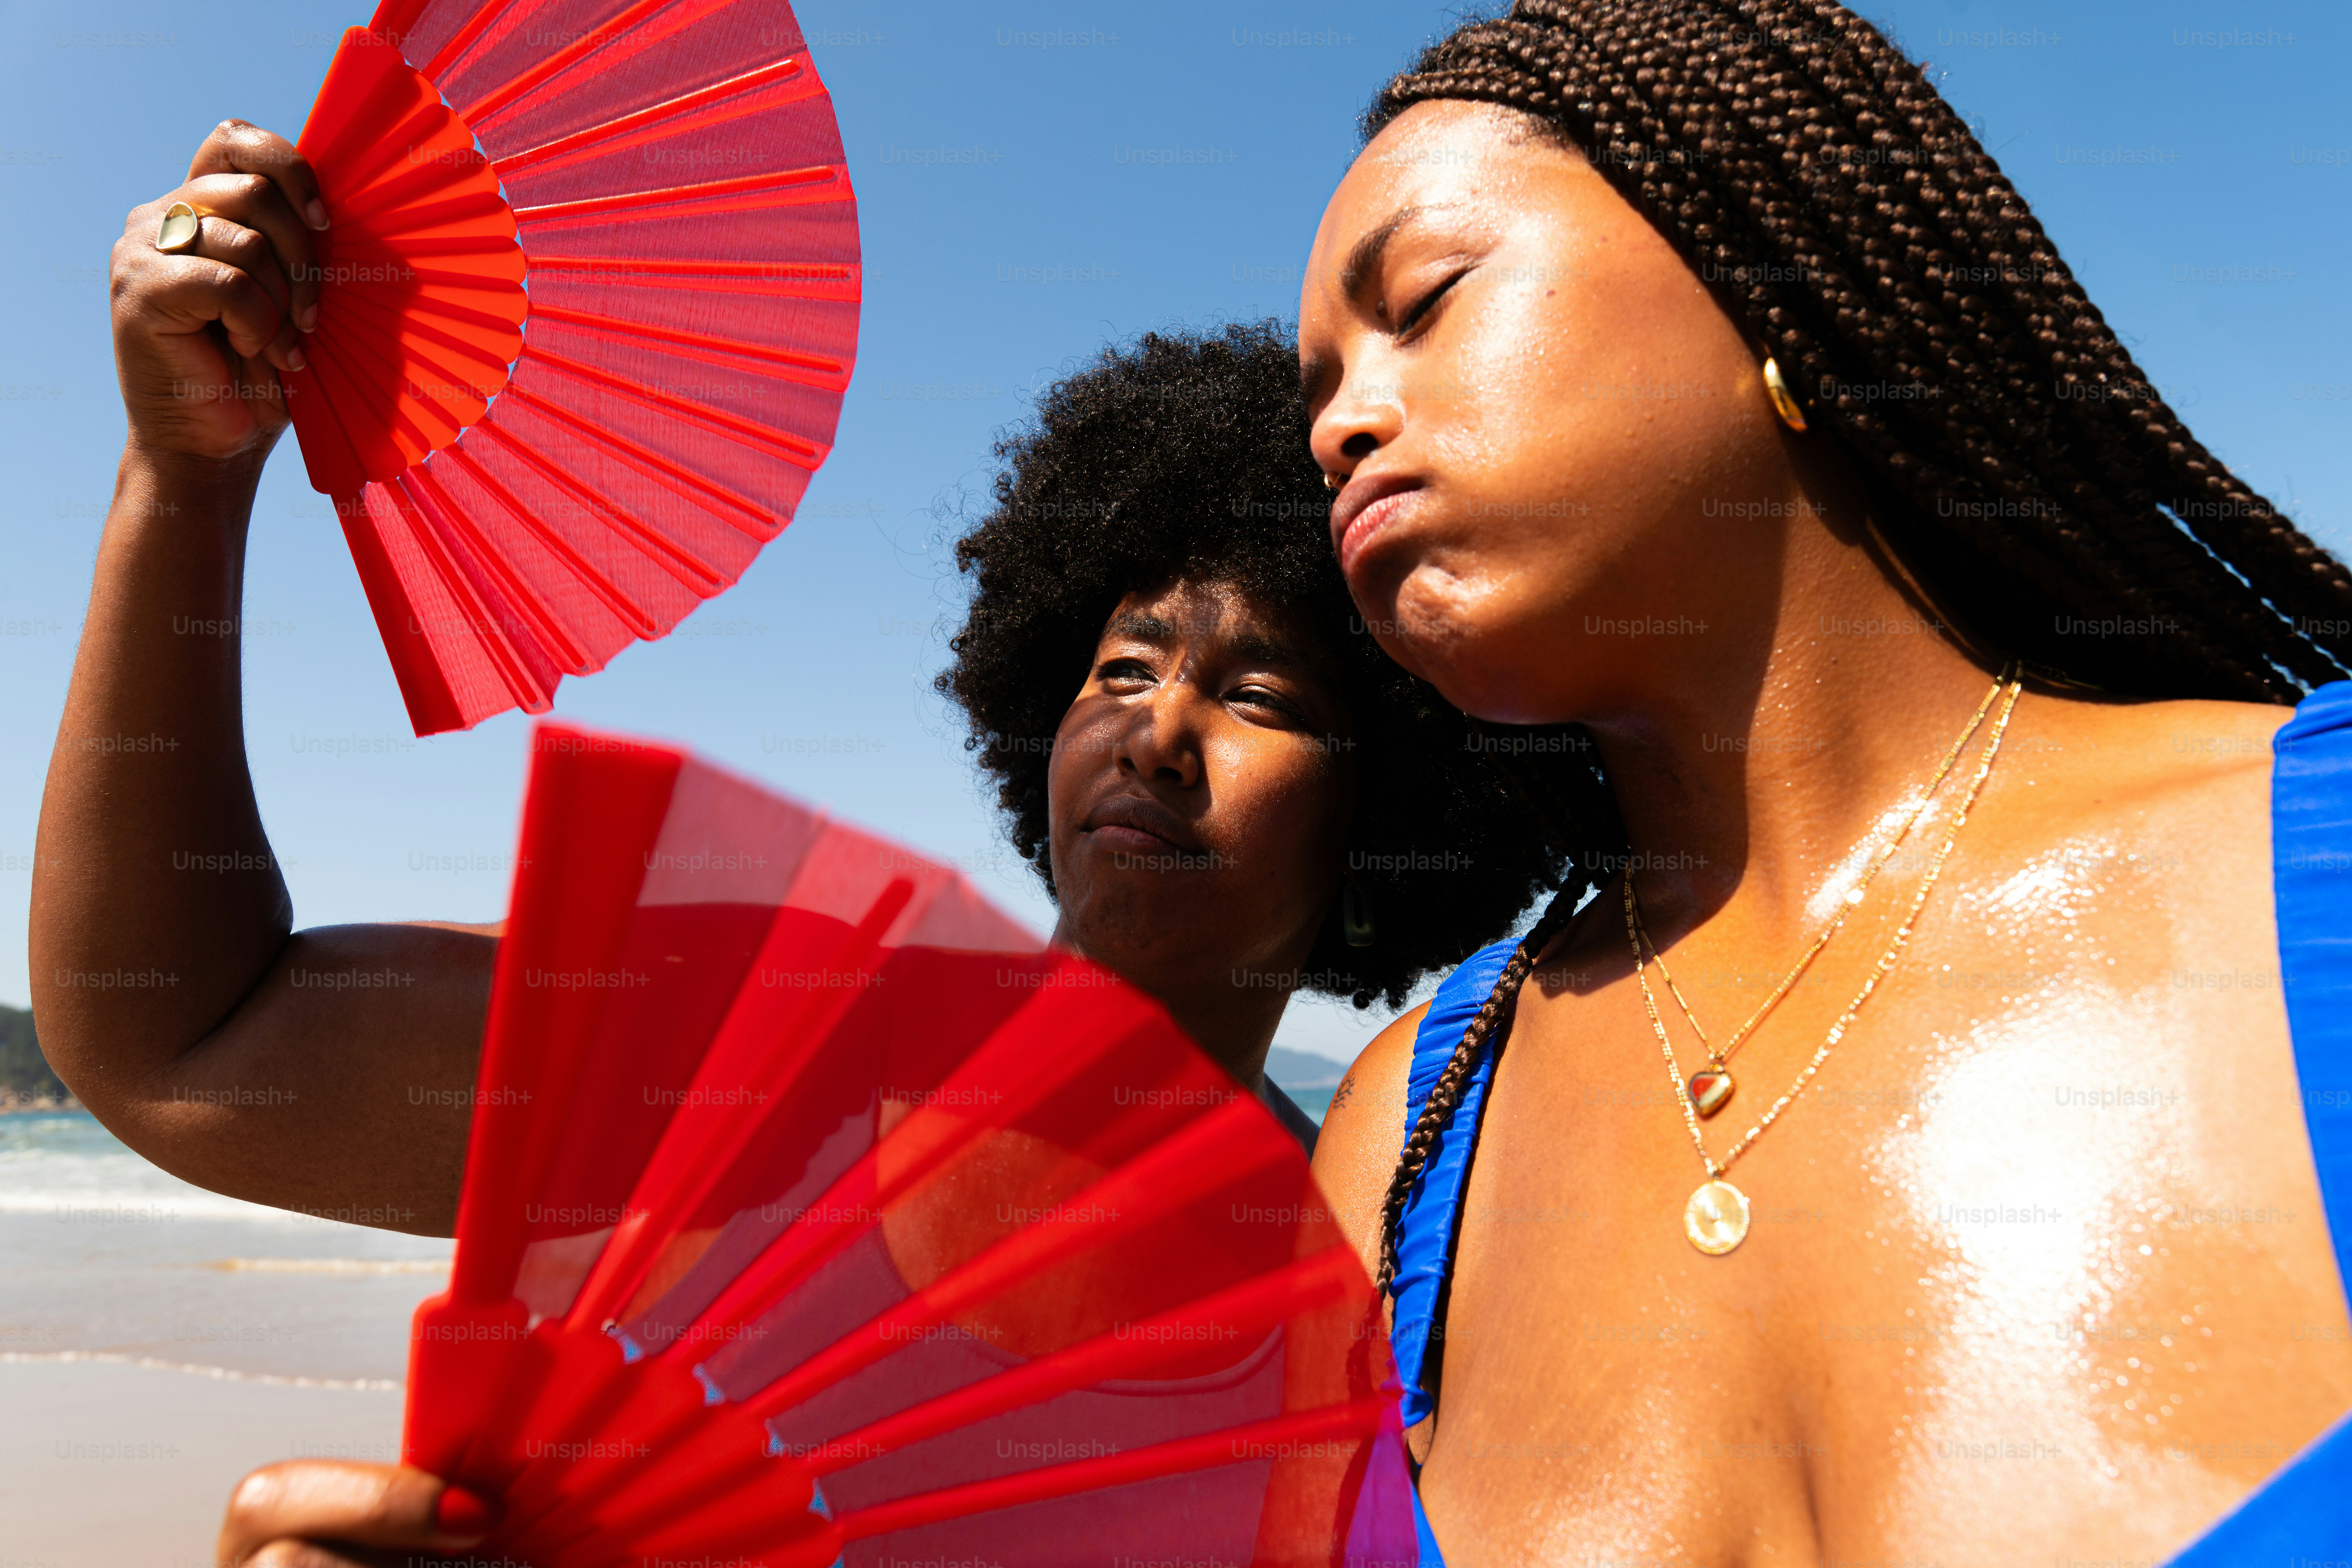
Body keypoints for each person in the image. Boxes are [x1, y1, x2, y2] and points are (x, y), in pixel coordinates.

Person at [30, 114, 1576, 1561]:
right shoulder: (768, 1045)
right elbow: (187, 1039)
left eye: (1258, 696)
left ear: (1389, 808)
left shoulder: (1364, 1268)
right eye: (1121, 668)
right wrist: (185, 480)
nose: (1157, 732)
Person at [1296, 3, 2352, 1564]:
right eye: (1317, 391)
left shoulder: (2317, 868)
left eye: (1424, 301)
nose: (1339, 425)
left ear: (1761, 279)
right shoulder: (1403, 1144)